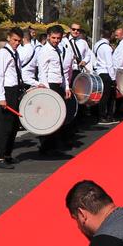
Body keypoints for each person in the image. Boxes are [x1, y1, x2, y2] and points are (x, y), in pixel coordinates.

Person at [35, 24, 74, 154]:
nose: (56, 40)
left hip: (58, 85)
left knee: (58, 116)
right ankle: (46, 146)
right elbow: (42, 73)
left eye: (58, 38)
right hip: (49, 86)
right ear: (48, 37)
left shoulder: (58, 50)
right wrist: (47, 92)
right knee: (49, 117)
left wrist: (66, 86)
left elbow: (62, 71)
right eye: (53, 38)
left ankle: (54, 144)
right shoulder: (44, 51)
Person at [0, 27, 24, 169]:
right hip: (7, 91)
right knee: (5, 125)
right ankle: (0, 158)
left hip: (15, 90)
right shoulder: (3, 53)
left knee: (14, 125)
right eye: (15, 40)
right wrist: (2, 97)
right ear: (9, 38)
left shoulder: (15, 54)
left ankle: (8, 154)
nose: (17, 43)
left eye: (19, 41)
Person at [93, 28, 117, 124]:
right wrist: (113, 78)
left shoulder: (97, 45)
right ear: (110, 35)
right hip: (106, 73)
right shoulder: (107, 48)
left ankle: (102, 115)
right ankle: (105, 116)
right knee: (109, 96)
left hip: (99, 72)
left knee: (103, 95)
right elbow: (109, 64)